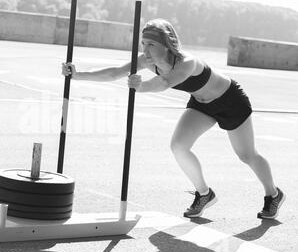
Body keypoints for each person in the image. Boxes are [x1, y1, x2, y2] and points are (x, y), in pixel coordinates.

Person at [61, 18, 285, 219]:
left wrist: (141, 87)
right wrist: (78, 74)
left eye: (151, 45)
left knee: (246, 155)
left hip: (231, 101)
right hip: (201, 103)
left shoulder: (187, 62)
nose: (146, 50)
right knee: (178, 146)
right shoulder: (147, 61)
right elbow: (114, 73)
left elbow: (164, 83)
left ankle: (273, 194)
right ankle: (204, 193)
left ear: (166, 45)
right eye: (143, 44)